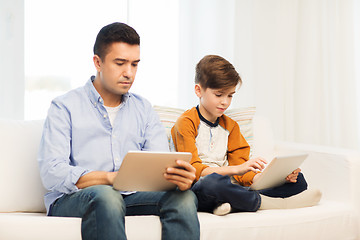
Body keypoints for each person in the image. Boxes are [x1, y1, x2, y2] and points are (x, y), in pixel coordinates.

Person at [38, 22, 200, 240]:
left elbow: (159, 166)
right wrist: (109, 178)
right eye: (120, 63)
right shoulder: (64, 106)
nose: (129, 73)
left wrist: (178, 178)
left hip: (130, 197)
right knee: (106, 195)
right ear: (98, 62)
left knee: (184, 197)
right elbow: (52, 172)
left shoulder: (144, 109)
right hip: (75, 199)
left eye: (135, 64)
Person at [171, 55, 321, 216]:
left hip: (230, 187)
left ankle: (232, 204)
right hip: (200, 188)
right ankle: (267, 202)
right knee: (212, 182)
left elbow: (243, 172)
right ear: (198, 90)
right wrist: (236, 169)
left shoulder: (231, 126)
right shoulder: (186, 122)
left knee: (299, 181)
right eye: (219, 94)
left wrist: (272, 177)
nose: (225, 102)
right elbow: (194, 170)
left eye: (230, 95)